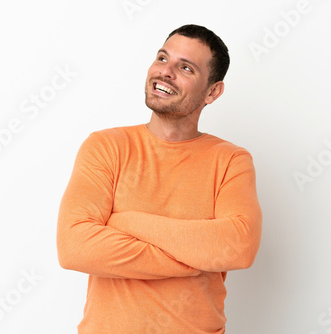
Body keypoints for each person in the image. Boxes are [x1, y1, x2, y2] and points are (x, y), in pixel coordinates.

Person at [57, 24, 262, 334]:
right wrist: (196, 259)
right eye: (163, 58)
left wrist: (124, 222)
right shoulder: (106, 146)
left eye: (186, 68)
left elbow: (239, 246)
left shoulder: (231, 160)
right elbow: (74, 246)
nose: (166, 72)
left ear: (213, 91)